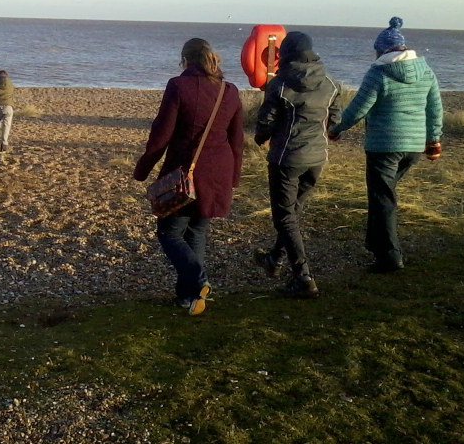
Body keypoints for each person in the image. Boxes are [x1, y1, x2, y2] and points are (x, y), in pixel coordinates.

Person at [134, 38, 244, 316]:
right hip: (219, 170)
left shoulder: (178, 86)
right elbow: (237, 139)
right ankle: (189, 298)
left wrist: (143, 169)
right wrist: (234, 178)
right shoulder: (229, 90)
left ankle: (197, 279)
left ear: (185, 60)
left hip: (185, 171)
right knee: (197, 231)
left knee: (169, 232)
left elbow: (161, 134)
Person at [328, 17, 443, 273]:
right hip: (413, 147)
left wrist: (336, 129)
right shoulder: (426, 71)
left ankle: (389, 256)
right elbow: (435, 108)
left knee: (383, 198)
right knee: (385, 195)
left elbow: (359, 108)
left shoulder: (378, 73)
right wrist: (433, 140)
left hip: (384, 146)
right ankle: (375, 243)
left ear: (382, 51)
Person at [253, 31, 341, 298]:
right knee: (292, 213)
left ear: (286, 53)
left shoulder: (280, 85)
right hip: (317, 158)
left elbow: (266, 121)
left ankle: (303, 277)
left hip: (286, 159)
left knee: (285, 216)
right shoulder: (330, 84)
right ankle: (274, 258)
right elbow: (335, 121)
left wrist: (261, 136)